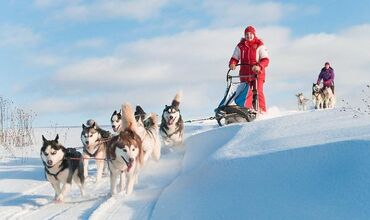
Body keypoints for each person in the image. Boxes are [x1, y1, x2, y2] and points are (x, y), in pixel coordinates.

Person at [229, 25, 269, 113]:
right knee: (245, 92)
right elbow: (235, 57)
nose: (249, 36)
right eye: (247, 34)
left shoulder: (259, 44)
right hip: (245, 74)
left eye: (251, 34)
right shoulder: (240, 46)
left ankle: (262, 110)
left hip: (257, 73)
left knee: (257, 91)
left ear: (254, 34)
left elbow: (265, 60)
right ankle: (247, 109)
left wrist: (259, 66)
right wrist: (232, 63)